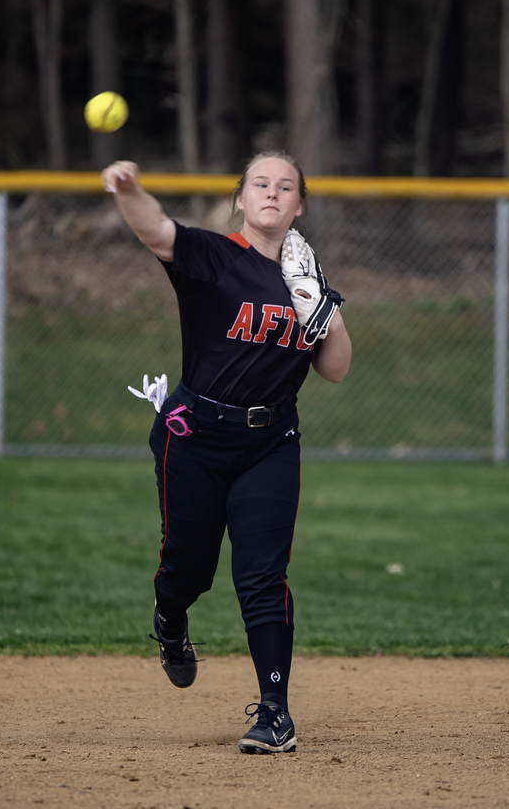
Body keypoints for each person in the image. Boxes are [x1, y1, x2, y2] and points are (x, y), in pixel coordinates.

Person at [103, 152, 352, 755]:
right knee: (188, 569)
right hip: (196, 437)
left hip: (270, 442)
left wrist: (323, 312)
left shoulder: (304, 276)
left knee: (262, 576)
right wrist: (129, 189)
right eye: (259, 184)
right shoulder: (214, 257)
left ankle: (275, 714)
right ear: (241, 199)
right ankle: (169, 619)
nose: (272, 193)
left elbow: (336, 370)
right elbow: (154, 228)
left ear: (300, 205)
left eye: (285, 186)